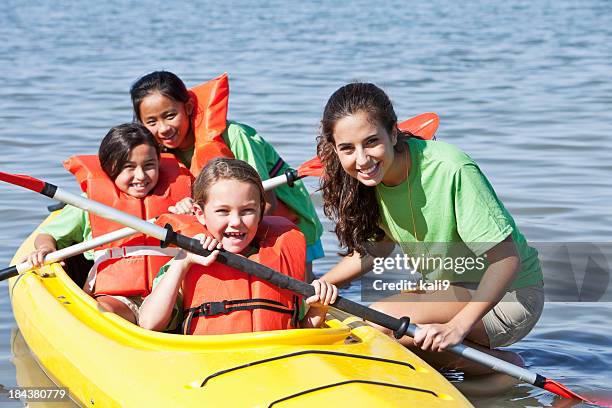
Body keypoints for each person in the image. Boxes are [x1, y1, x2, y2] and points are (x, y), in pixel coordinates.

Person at [317, 82, 544, 374]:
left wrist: (456, 328)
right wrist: (322, 286)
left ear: (394, 132)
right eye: (347, 148)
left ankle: (501, 371)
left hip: (511, 296)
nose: (361, 159)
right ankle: (472, 371)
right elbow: (379, 248)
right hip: (451, 289)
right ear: (335, 149)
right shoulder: (369, 180)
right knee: (346, 320)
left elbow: (506, 259)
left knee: (381, 322)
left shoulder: (450, 169)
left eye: (371, 142)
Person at [129, 71, 324, 279]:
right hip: (230, 228)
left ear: (187, 108)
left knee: (303, 291)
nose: (164, 128)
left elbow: (268, 203)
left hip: (286, 222)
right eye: (151, 122)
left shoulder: (235, 136)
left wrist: (228, 237)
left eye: (170, 116)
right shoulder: (158, 157)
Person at [138, 158, 337, 334]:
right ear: (200, 213)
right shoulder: (186, 260)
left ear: (260, 211)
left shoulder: (282, 258)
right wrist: (183, 262)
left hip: (272, 362)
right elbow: (149, 323)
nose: (235, 221)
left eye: (247, 210)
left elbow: (298, 332)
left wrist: (319, 309)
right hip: (209, 364)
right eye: (223, 211)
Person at [25, 123, 192, 323]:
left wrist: (190, 212)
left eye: (149, 165)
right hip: (117, 299)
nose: (140, 176)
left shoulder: (182, 201)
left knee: (155, 317)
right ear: (109, 167)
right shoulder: (88, 204)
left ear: (158, 163)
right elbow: (48, 235)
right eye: (128, 167)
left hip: (171, 295)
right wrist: (45, 249)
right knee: (101, 311)